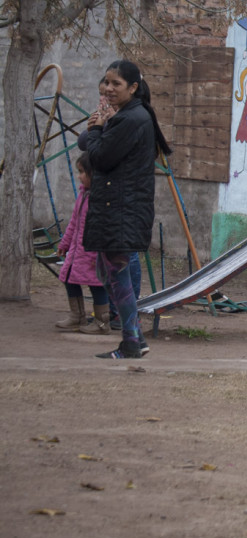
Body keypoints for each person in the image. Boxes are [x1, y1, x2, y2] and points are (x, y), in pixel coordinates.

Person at [80, 59, 171, 359]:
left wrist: (99, 129)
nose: (108, 88)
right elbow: (87, 140)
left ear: (133, 87)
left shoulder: (132, 119)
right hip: (117, 208)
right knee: (109, 274)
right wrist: (99, 126)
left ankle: (133, 341)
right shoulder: (125, 115)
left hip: (121, 210)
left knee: (117, 276)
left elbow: (101, 157)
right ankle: (133, 339)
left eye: (115, 84)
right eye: (106, 82)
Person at [53, 154, 110, 331]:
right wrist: (65, 243)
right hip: (78, 250)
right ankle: (76, 317)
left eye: (82, 172)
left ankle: (102, 323)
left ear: (94, 174)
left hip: (93, 252)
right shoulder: (83, 195)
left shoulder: (101, 199)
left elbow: (105, 228)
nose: (79, 176)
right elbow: (74, 222)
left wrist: (101, 253)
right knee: (68, 277)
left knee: (96, 284)